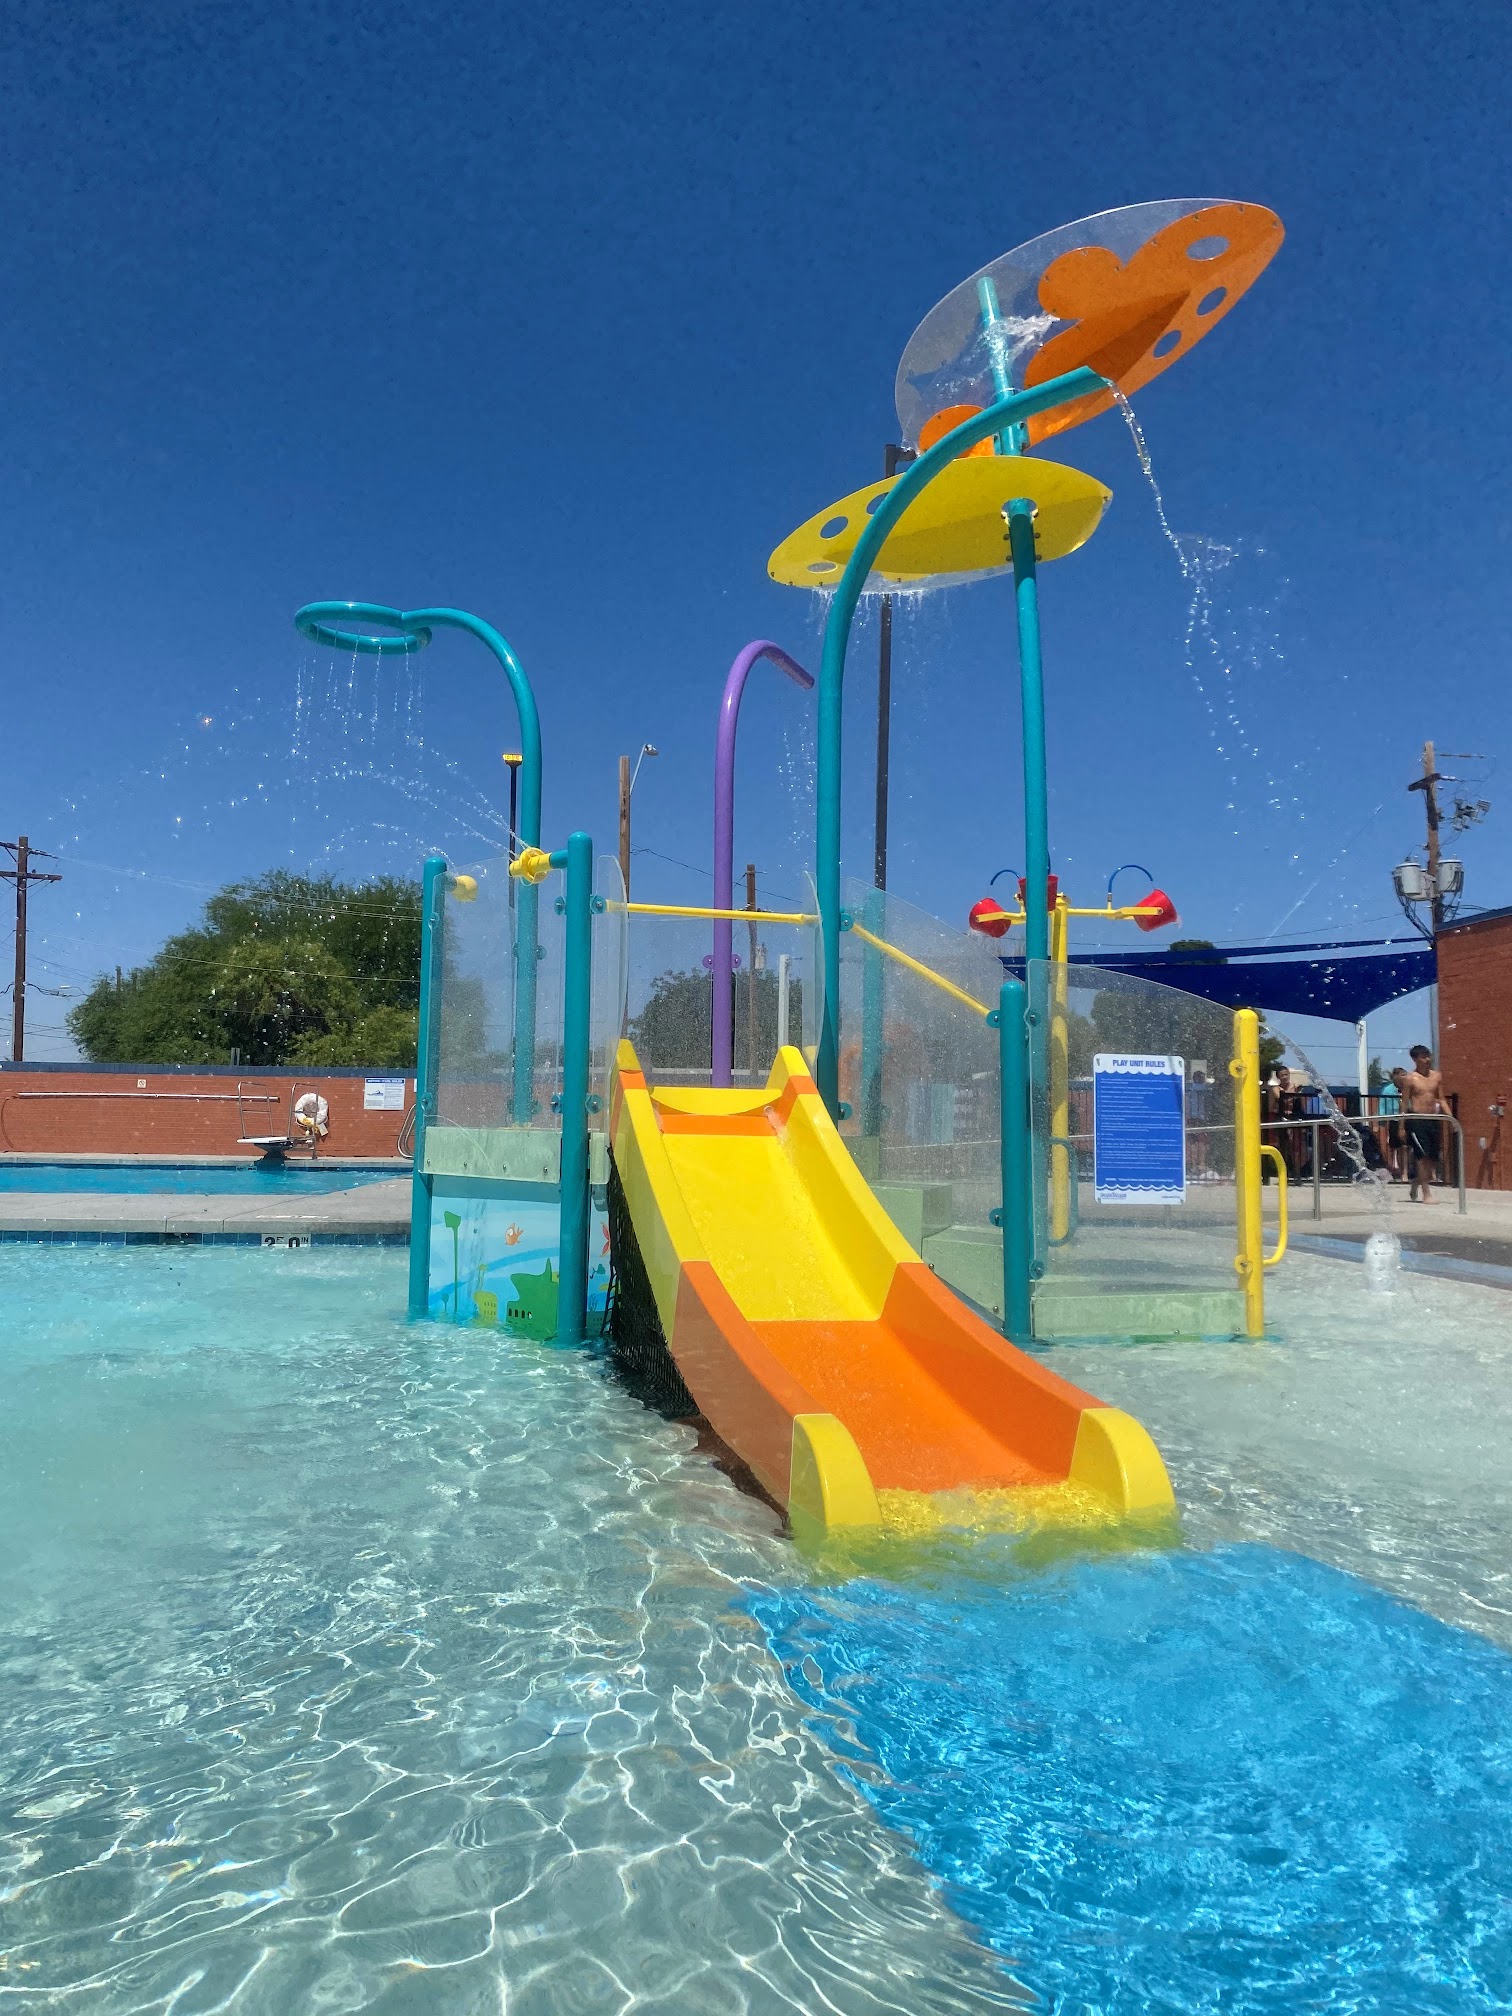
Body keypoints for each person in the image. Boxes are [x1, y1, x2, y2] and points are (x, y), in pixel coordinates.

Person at [1401, 1043, 1445, 1202]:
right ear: (1415, 1059)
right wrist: (1401, 1126)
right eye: (1423, 1057)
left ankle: (1416, 1183)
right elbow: (1404, 1102)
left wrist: (1451, 1118)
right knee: (1422, 1156)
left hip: (1432, 1119)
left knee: (1432, 1158)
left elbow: (1441, 1098)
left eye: (1428, 1056)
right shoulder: (1410, 1079)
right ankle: (1426, 1193)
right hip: (1417, 1120)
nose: (1427, 1060)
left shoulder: (1436, 1076)